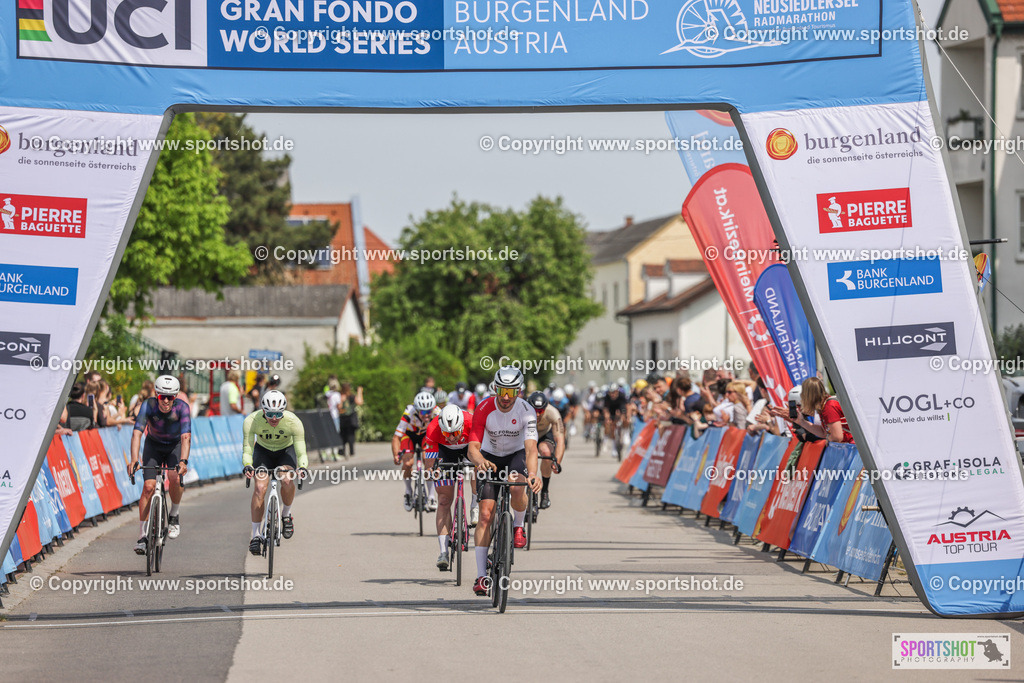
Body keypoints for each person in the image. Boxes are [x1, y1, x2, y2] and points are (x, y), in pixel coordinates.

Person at [466, 367, 541, 596]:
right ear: (495, 389)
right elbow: (473, 448)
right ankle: (481, 577)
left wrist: (533, 474)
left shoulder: (527, 411)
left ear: (518, 391)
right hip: (489, 456)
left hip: (516, 455)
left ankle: (518, 526)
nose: (506, 397)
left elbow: (531, 448)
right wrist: (479, 462)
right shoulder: (484, 408)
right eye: (502, 390)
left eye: (511, 391)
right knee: (486, 514)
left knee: (518, 486)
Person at [129, 375, 191, 554]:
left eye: (170, 397)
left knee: (174, 477)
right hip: (153, 445)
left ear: (176, 396)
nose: (165, 400)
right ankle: (142, 536)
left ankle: (174, 515)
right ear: (156, 394)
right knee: (148, 487)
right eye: (162, 396)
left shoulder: (182, 408)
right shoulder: (147, 405)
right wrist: (134, 459)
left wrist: (183, 461)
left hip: (174, 446)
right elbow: (137, 433)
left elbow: (186, 437)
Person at [242, 390, 309, 555]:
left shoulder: (293, 421)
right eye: (270, 414)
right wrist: (248, 464)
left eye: (278, 414)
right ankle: (256, 535)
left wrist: (302, 467)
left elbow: (301, 450)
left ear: (284, 411)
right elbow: (248, 447)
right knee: (259, 487)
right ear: (263, 410)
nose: (274, 418)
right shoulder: (252, 420)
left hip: (285, 451)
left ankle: (286, 515)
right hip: (263, 451)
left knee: (286, 480)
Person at [423, 404, 474, 570]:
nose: (451, 437)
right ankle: (443, 551)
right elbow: (430, 464)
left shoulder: (471, 421)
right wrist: (432, 472)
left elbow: (482, 450)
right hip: (444, 452)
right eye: (446, 433)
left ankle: (475, 504)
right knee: (444, 500)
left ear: (462, 426)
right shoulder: (433, 429)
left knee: (478, 471)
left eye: (455, 433)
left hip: (468, 448)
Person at [391, 391, 438, 512]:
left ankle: (432, 496)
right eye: (423, 412)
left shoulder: (438, 412)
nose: (427, 415)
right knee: (407, 464)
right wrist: (396, 455)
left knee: (429, 461)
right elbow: (396, 437)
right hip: (409, 435)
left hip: (426, 435)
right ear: (417, 410)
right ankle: (408, 491)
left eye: (429, 411)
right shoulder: (409, 412)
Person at [770, 377, 853, 443]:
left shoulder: (829, 406)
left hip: (855, 448)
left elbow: (837, 437)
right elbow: (824, 433)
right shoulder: (824, 406)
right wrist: (801, 422)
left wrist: (827, 440)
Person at [527, 392, 564, 510]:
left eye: (540, 411)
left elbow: (560, 440)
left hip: (543, 435)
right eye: (535, 411)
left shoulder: (552, 412)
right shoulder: (522, 409)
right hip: (527, 434)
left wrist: (557, 462)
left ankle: (545, 491)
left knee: (547, 453)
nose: (537, 415)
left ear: (545, 408)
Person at [337, 382, 362, 457]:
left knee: (344, 435)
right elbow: (360, 402)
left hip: (344, 418)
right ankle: (350, 451)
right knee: (350, 435)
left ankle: (344, 451)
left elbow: (339, 407)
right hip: (350, 418)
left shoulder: (343, 396)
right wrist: (360, 391)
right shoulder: (349, 396)